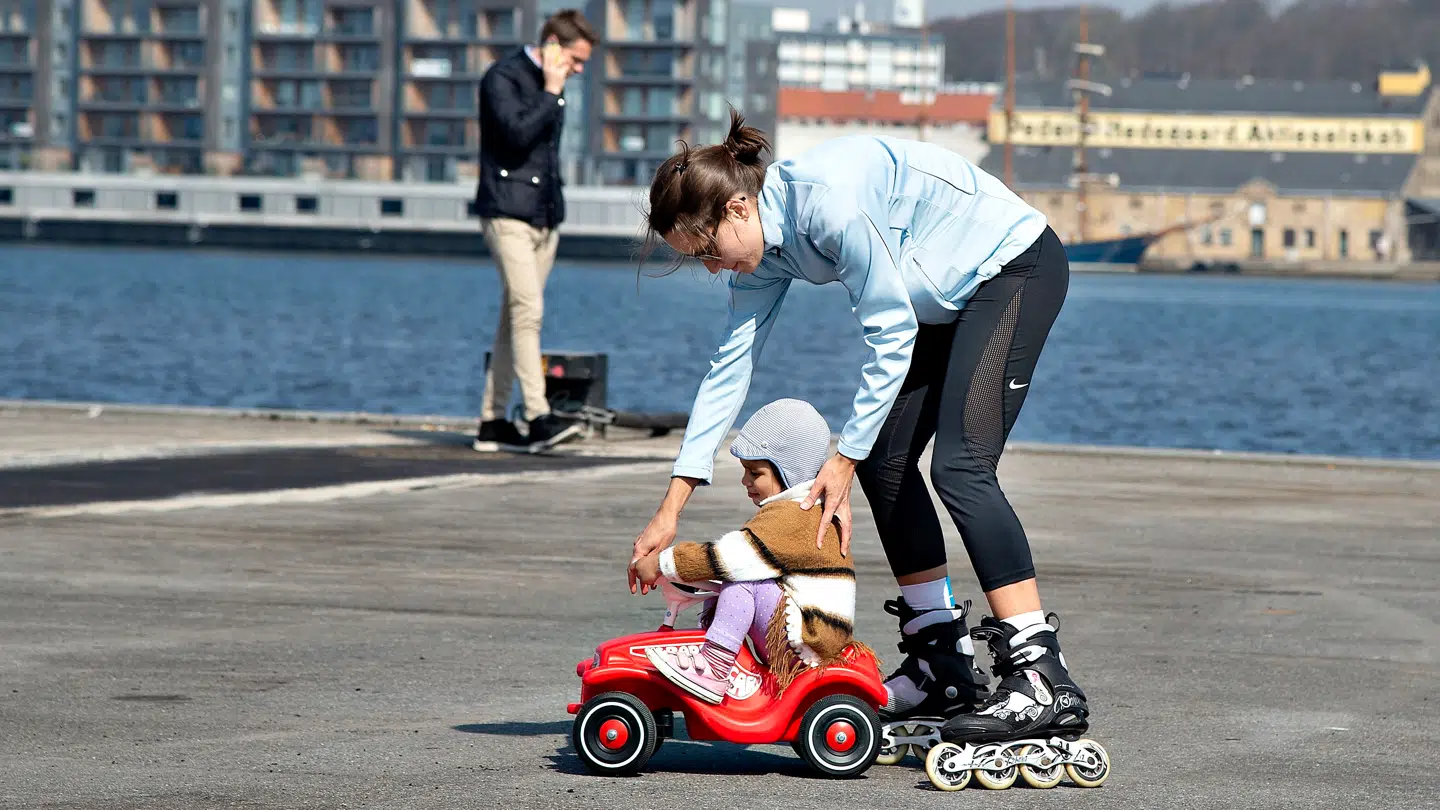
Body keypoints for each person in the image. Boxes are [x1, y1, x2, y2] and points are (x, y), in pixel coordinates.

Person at [627, 111, 1092, 747]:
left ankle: (1041, 676)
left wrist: (840, 457)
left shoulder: (828, 205)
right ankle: (940, 662)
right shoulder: (760, 251)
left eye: (708, 252)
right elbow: (729, 367)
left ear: (738, 207)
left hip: (1014, 268)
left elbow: (892, 332)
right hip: (943, 297)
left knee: (959, 467)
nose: (711, 270)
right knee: (884, 460)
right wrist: (670, 507)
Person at [631, 399, 857, 703]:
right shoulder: (801, 509)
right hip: (812, 632)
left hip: (808, 640)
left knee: (742, 583)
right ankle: (718, 652)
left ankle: (714, 667)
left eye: (755, 472)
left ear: (787, 472)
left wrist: (662, 564)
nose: (745, 481)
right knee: (731, 579)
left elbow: (730, 557)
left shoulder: (794, 516)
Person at [472, 10, 596, 452]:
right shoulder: (502, 78)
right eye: (575, 59)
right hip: (506, 213)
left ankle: (492, 421)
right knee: (529, 312)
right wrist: (550, 90)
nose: (579, 70)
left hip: (544, 217)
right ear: (551, 46)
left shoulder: (553, 86)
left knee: (514, 318)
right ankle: (537, 417)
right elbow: (514, 138)